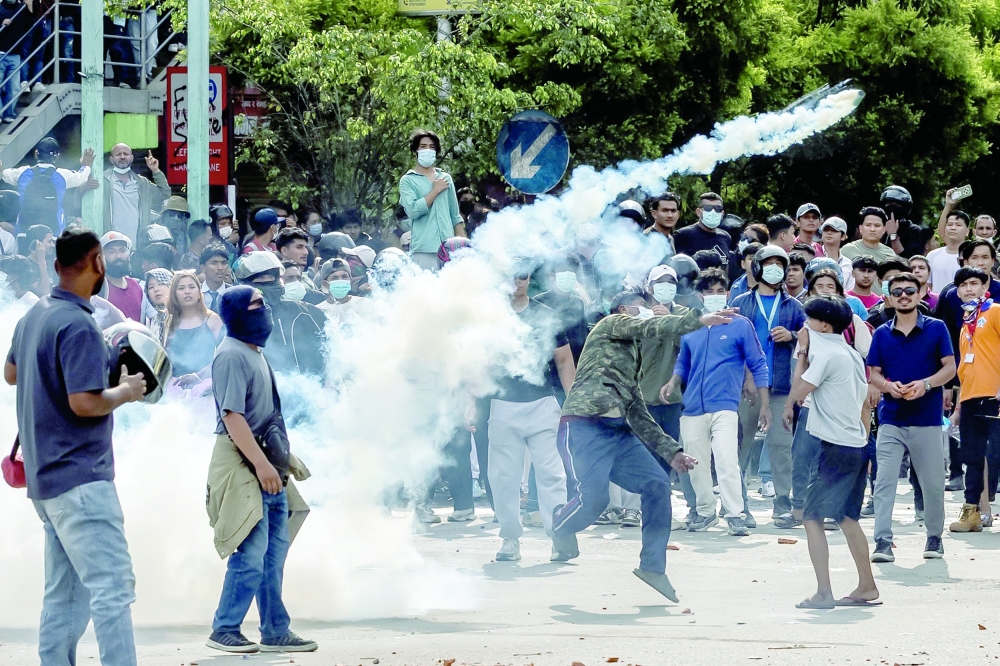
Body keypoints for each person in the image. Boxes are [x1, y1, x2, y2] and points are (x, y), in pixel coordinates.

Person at [4, 227, 149, 665]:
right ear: (97, 263)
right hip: (81, 479)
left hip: (47, 480)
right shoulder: (80, 323)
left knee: (65, 596)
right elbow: (84, 403)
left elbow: (11, 373)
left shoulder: (34, 316)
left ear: (56, 266)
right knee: (112, 590)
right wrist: (125, 390)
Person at [551, 290, 732, 602]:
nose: (650, 311)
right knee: (592, 501)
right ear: (624, 309)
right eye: (644, 307)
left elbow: (637, 411)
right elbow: (651, 327)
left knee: (657, 485)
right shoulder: (610, 325)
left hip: (616, 432)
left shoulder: (631, 355)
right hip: (583, 425)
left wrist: (671, 451)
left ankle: (653, 567)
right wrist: (696, 319)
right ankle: (560, 526)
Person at [206, 286, 317, 654]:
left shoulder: (253, 352)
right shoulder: (231, 355)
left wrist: (274, 462)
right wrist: (260, 465)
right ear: (236, 313)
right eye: (255, 305)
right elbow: (232, 416)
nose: (264, 310)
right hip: (243, 459)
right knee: (251, 552)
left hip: (264, 458)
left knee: (273, 554)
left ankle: (275, 629)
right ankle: (224, 628)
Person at [783, 295, 877, 610]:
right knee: (848, 517)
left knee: (811, 517)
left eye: (809, 319)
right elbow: (865, 403)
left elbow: (798, 393)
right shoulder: (850, 353)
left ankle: (824, 592)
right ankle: (867, 585)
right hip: (856, 445)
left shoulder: (822, 354)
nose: (804, 325)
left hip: (834, 448)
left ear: (823, 324)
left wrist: (803, 352)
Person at [475, 268, 576, 562]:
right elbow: (477, 365)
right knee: (503, 478)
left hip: (543, 404)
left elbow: (564, 359)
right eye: (509, 276)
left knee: (552, 475)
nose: (516, 282)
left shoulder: (546, 315)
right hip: (503, 405)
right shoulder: (490, 318)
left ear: (529, 280)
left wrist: (573, 403)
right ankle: (509, 538)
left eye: (522, 276)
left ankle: (559, 536)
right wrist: (470, 404)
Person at [661, 268, 769, 536]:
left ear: (728, 293)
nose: (715, 296)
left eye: (720, 291)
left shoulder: (741, 325)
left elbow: (758, 363)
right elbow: (683, 362)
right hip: (692, 407)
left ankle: (735, 514)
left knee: (726, 460)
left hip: (725, 405)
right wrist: (673, 381)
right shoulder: (692, 326)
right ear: (700, 295)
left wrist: (765, 404)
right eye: (709, 292)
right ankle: (706, 512)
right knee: (695, 464)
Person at [866, 272, 955, 561]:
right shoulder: (881, 334)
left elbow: (950, 369)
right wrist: (888, 386)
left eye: (909, 290)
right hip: (891, 418)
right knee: (884, 483)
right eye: (897, 291)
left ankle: (933, 537)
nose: (903, 295)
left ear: (920, 294)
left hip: (927, 419)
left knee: (931, 485)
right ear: (889, 298)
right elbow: (873, 374)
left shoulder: (937, 328)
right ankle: (882, 541)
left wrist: (926, 384)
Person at [731, 245, 806, 524]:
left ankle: (782, 504)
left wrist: (793, 334)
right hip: (745, 388)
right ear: (757, 267)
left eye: (780, 263)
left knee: (781, 446)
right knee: (740, 447)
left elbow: (810, 340)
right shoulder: (740, 303)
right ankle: (738, 505)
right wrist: (745, 375)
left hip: (781, 388)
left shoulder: (794, 306)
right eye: (768, 262)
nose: (774, 268)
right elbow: (730, 344)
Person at [949, 266, 1000, 533]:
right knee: (972, 456)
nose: (968, 289)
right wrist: (958, 406)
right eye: (963, 285)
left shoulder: (995, 312)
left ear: (985, 286)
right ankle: (972, 513)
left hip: (995, 396)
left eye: (973, 284)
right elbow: (964, 370)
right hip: (970, 398)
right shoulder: (965, 323)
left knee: (996, 455)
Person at [233, 251, 327, 376]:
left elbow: (332, 344)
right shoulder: (235, 320)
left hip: (308, 387)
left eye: (270, 277)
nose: (267, 281)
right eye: (261, 277)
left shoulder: (302, 311)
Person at [398, 129, 464, 271]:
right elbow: (413, 211)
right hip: (424, 249)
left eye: (432, 147)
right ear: (416, 150)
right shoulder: (407, 180)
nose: (428, 150)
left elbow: (455, 215)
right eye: (423, 146)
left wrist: (464, 245)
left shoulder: (445, 178)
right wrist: (435, 190)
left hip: (449, 249)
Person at [2, 138, 94, 233]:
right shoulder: (63, 175)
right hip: (53, 232)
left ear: (36, 154)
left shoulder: (22, 173)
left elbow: (4, 174)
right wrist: (86, 166)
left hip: (24, 231)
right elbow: (82, 178)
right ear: (57, 156)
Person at [163, 271, 224, 392]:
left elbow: (225, 357)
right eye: (181, 288)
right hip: (175, 388)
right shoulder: (169, 322)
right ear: (174, 294)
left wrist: (199, 376)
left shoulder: (212, 319)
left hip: (205, 386)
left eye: (192, 287)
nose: (187, 291)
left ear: (199, 291)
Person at [97, 144, 170, 245]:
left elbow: (165, 195)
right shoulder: (101, 181)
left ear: (131, 158)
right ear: (111, 159)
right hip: (111, 245)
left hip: (138, 245)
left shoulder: (142, 183)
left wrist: (156, 171)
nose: (122, 156)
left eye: (126, 154)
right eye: (118, 154)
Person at [315, 258, 375, 325]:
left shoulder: (365, 304)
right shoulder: (319, 310)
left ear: (350, 280)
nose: (340, 280)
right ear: (325, 284)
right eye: (334, 278)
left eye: (344, 276)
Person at [673, 192, 731, 258]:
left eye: (718, 208)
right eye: (708, 208)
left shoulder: (726, 237)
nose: (713, 212)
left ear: (722, 214)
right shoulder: (682, 235)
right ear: (698, 212)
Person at [101, 231, 143, 322]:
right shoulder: (100, 289)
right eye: (111, 252)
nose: (118, 256)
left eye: (122, 250)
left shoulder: (136, 286)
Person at [929, 203, 970, 292]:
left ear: (967, 231)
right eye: (950, 224)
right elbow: (927, 285)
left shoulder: (972, 257)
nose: (953, 228)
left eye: (958, 225)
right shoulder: (932, 255)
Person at [0, 0, 28, 123]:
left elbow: (31, 24)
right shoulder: (0, 7)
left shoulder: (22, 8)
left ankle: (8, 113)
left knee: (14, 87)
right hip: (0, 52)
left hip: (15, 54)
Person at [816, 216, 855, 290]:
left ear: (843, 236)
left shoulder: (848, 264)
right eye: (826, 230)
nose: (829, 233)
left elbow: (850, 292)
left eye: (834, 230)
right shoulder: (814, 257)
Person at [644, 193, 679, 261]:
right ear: (654, 214)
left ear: (678, 214)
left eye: (673, 211)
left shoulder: (670, 238)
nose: (670, 215)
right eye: (665, 210)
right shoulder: (646, 239)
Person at [142, 267, 173, 341]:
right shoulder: (154, 320)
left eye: (161, 283)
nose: (156, 289)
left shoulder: (182, 315)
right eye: (151, 287)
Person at [200, 243, 232, 313]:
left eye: (224, 263)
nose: (220, 268)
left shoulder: (234, 294)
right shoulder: (195, 293)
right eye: (214, 263)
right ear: (203, 268)